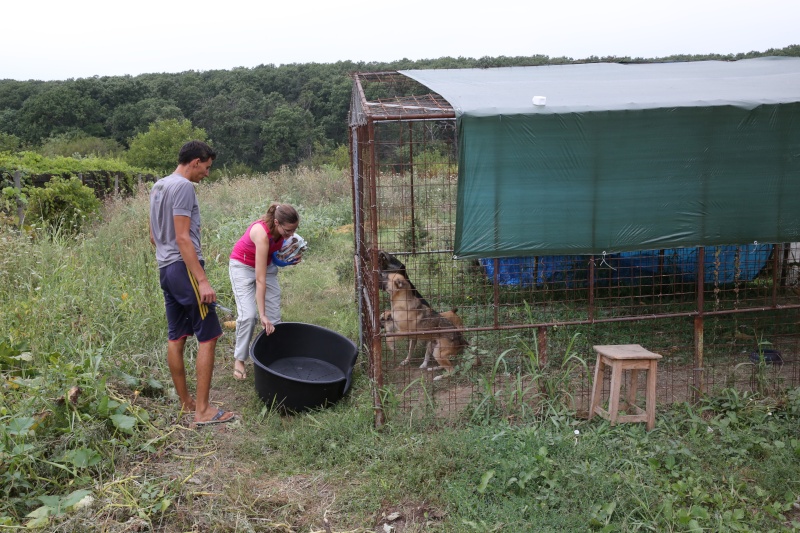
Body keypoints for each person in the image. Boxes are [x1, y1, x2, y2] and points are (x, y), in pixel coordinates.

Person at [149, 140, 236, 426]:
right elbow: (183, 237)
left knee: (176, 336)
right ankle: (203, 411)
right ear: (196, 161)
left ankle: (187, 403)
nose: (207, 174)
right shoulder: (184, 187)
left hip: (166, 269)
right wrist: (202, 280)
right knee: (209, 336)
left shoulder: (159, 186)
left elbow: (154, 236)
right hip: (184, 269)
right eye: (207, 167)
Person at [228, 202, 300, 380]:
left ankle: (272, 357)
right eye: (288, 231)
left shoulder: (283, 231)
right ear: (277, 223)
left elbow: (273, 255)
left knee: (274, 318)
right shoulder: (260, 233)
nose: (291, 235)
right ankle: (240, 359)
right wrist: (262, 314)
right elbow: (260, 280)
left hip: (265, 266)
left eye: (294, 230)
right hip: (242, 266)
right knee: (248, 316)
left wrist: (287, 258)